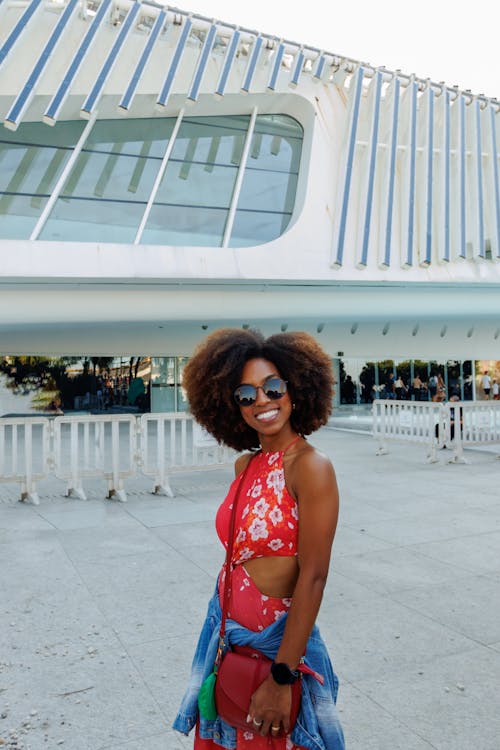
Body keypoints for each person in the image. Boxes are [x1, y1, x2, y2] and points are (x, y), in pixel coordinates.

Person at [173, 328, 345, 750]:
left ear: (294, 387)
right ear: (231, 407)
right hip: (229, 647)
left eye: (271, 387)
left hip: (277, 657)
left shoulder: (310, 466)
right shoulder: (245, 466)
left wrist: (281, 678)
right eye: (246, 395)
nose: (262, 401)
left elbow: (314, 577)